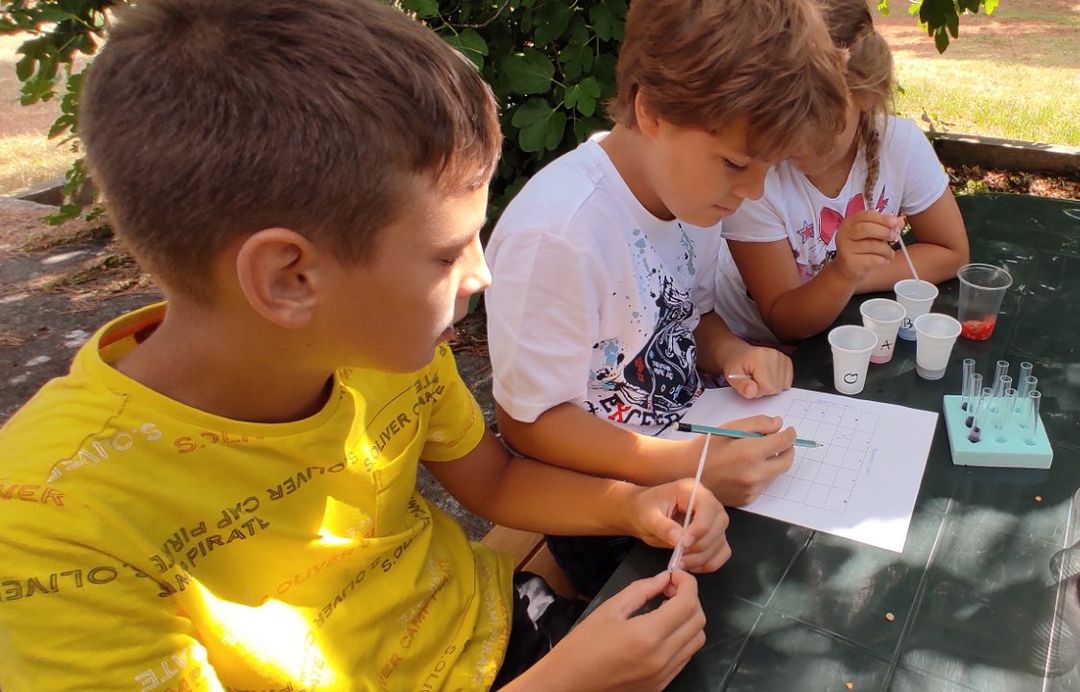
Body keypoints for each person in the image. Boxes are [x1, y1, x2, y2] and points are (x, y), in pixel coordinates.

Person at [0, 1, 728, 689]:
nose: (482, 274)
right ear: (289, 278)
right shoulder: (55, 528)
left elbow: (496, 483)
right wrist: (568, 682)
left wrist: (632, 507)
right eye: (446, 254)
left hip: (507, 629)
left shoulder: (379, 350)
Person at [483, 0, 849, 597]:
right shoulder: (558, 237)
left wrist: (731, 352)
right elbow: (529, 423)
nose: (754, 191)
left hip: (695, 443)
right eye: (736, 163)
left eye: (770, 167)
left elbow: (689, 317)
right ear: (650, 109)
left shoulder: (689, 196)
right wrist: (686, 464)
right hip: (604, 510)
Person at [713, 0, 971, 344]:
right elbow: (784, 322)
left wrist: (853, 274)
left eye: (822, 120)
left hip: (844, 339)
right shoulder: (755, 176)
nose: (799, 143)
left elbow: (952, 253)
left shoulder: (899, 144)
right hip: (749, 345)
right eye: (786, 118)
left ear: (864, 94)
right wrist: (842, 273)